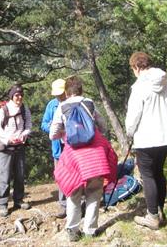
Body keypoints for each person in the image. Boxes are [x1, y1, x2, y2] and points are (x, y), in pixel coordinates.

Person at [50, 75, 117, 242]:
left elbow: (53, 134)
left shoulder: (62, 106)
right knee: (94, 191)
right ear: (81, 89)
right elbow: (102, 125)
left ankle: (72, 230)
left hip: (74, 156)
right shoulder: (90, 103)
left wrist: (65, 134)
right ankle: (90, 230)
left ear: (67, 91)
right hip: (95, 155)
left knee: (73, 192)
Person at [125, 52, 167, 230]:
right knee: (158, 172)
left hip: (146, 138)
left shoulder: (139, 87)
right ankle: (160, 210)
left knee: (147, 175)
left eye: (133, 69)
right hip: (166, 136)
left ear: (137, 67)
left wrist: (129, 133)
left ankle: (152, 216)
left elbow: (133, 117)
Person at [0, 84, 32, 217]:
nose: (19, 97)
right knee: (5, 176)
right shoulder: (4, 109)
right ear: (12, 96)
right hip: (6, 147)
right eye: (16, 95)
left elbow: (28, 124)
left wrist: (23, 135)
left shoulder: (24, 108)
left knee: (20, 174)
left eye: (21, 95)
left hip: (20, 145)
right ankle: (3, 204)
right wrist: (8, 138)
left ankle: (18, 200)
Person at [41, 78, 68, 218]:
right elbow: (43, 124)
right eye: (57, 94)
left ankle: (80, 203)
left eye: (61, 93)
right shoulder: (52, 105)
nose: (59, 96)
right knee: (61, 176)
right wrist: (52, 126)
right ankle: (63, 206)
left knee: (77, 175)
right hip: (58, 148)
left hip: (74, 147)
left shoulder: (73, 102)